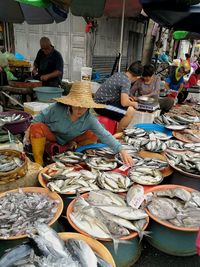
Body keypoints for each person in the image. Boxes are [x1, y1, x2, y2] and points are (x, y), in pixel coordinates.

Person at [24, 81, 134, 167]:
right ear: (70, 103)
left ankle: (75, 155)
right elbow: (37, 119)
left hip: (71, 139)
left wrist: (121, 150)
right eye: (77, 105)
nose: (80, 110)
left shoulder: (89, 119)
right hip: (53, 136)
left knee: (93, 134)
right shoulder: (56, 108)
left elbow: (105, 135)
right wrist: (28, 131)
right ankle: (39, 163)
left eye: (84, 107)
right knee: (36, 127)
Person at [94, 61, 143, 132]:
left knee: (129, 104)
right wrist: (134, 104)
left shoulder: (120, 74)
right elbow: (124, 103)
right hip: (100, 105)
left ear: (128, 68)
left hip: (100, 101)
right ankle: (118, 136)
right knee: (130, 111)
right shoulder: (126, 81)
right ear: (138, 77)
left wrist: (128, 99)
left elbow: (118, 93)